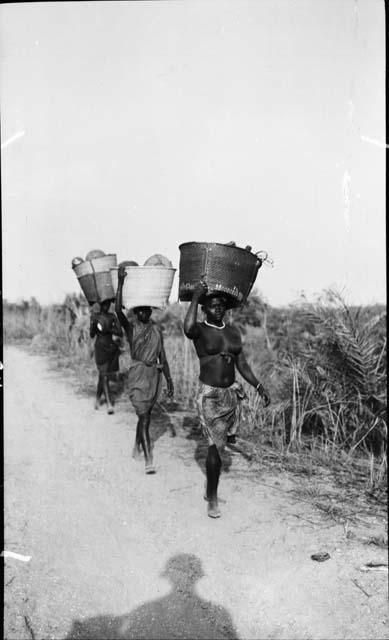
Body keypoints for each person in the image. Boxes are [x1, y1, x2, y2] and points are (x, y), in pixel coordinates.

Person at [184, 282, 270, 518]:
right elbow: (187, 328)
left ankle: (210, 489)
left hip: (230, 395)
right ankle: (212, 497)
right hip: (210, 395)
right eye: (212, 306)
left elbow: (242, 364)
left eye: (221, 305)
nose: (217, 309)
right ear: (204, 309)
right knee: (214, 446)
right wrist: (196, 297)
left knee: (220, 445)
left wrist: (259, 386)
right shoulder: (200, 329)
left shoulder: (233, 332)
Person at [115, 265, 174, 474]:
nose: (143, 312)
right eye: (139, 309)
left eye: (146, 309)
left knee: (145, 415)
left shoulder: (157, 330)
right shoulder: (131, 329)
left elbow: (163, 356)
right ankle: (149, 459)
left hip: (153, 376)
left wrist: (169, 380)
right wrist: (121, 281)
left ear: (150, 310)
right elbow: (117, 310)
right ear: (135, 311)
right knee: (144, 416)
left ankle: (136, 447)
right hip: (138, 375)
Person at [89, 299, 123, 414]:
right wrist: (93, 325)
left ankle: (98, 400)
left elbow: (120, 332)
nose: (106, 306)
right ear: (100, 304)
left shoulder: (112, 316)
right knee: (104, 377)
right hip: (100, 349)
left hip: (111, 349)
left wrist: (108, 329)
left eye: (108, 304)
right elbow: (92, 335)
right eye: (104, 304)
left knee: (102, 376)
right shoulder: (95, 317)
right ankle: (109, 404)